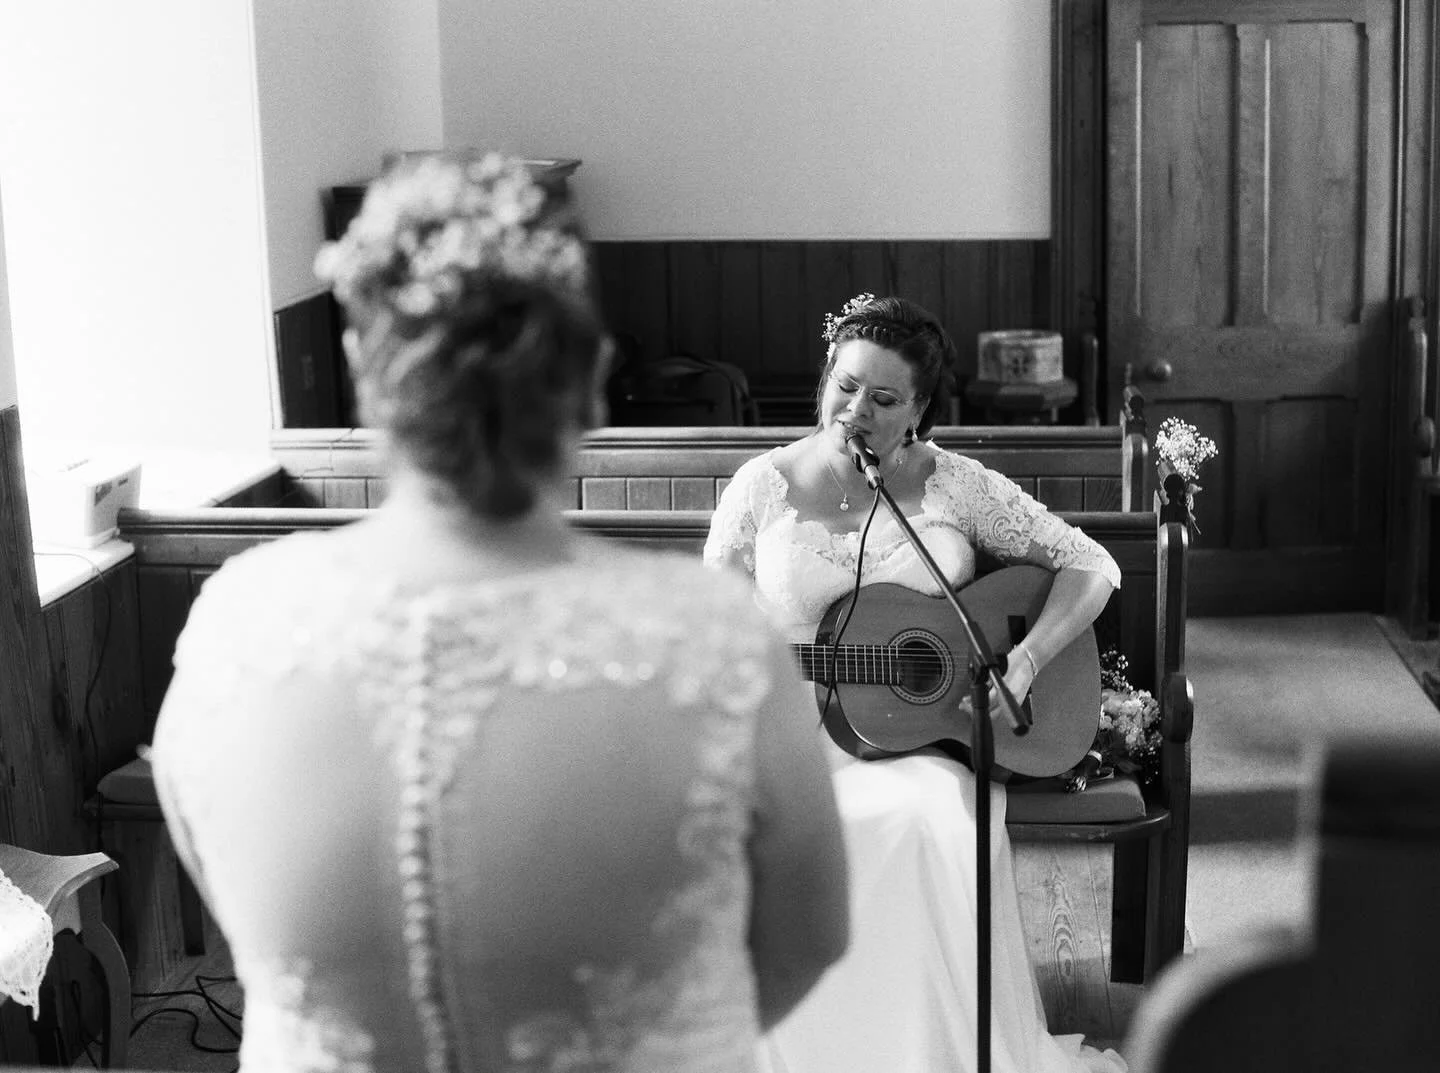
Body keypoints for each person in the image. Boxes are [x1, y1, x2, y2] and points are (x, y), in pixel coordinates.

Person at [149, 152, 849, 1072]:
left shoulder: (237, 628)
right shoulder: (716, 642)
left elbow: (231, 898)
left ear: (362, 365)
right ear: (593, 375)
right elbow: (807, 943)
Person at [704, 293, 1128, 1073]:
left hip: (934, 743)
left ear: (919, 411)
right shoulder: (761, 487)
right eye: (845, 386)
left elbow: (1091, 564)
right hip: (793, 741)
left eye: (884, 398)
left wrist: (1026, 660)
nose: (855, 411)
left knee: (916, 821)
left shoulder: (954, 484)